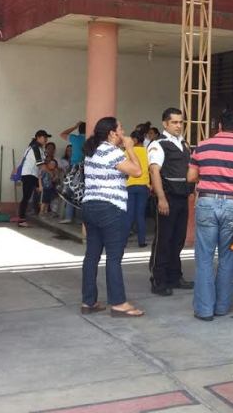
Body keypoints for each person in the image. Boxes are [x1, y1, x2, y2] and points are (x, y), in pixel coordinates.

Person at [186, 109, 233, 321]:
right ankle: (222, 307)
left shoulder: (202, 146)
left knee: (204, 257)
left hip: (207, 202)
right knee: (228, 257)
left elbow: (191, 176)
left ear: (219, 127)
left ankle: (204, 310)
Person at [80, 117, 144, 318]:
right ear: (112, 133)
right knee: (114, 257)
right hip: (110, 208)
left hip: (90, 206)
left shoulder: (92, 151)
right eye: (121, 129)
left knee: (92, 255)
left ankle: (88, 301)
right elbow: (137, 171)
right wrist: (130, 148)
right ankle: (118, 303)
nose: (123, 133)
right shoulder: (112, 151)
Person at [147, 107, 194, 296]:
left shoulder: (184, 144)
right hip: (167, 198)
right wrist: (161, 198)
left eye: (181, 122)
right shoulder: (158, 144)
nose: (178, 126)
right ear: (165, 123)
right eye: (174, 122)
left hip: (182, 198)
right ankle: (158, 279)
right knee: (163, 240)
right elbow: (154, 171)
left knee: (178, 239)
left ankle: (175, 276)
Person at [16, 129, 49, 227]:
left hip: (32, 174)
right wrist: (51, 173)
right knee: (26, 197)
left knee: (40, 191)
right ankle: (21, 220)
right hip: (29, 175)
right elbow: (41, 165)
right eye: (44, 137)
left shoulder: (36, 148)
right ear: (38, 138)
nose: (46, 139)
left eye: (46, 137)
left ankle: (38, 212)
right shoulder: (35, 148)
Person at [126, 125, 151, 247]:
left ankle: (123, 241)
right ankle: (142, 241)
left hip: (130, 185)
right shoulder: (147, 152)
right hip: (143, 186)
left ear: (135, 140)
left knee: (129, 214)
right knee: (140, 215)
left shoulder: (128, 152)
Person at [60, 122, 85, 223]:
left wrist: (74, 126)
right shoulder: (92, 139)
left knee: (70, 191)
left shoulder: (75, 138)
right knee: (84, 192)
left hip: (75, 167)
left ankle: (69, 217)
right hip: (87, 168)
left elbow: (62, 134)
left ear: (79, 130)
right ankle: (81, 219)